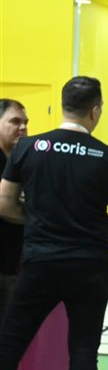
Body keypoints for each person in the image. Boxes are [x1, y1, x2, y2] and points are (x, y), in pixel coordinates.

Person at [0, 77, 108, 370]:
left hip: (40, 260)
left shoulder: (28, 148)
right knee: (83, 351)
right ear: (96, 110)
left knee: (9, 345)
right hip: (90, 265)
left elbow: (5, 204)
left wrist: (39, 219)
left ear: (63, 106)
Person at [0, 99, 29, 320]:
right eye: (15, 121)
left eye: (25, 122)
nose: (23, 127)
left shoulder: (24, 160)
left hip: (16, 263)